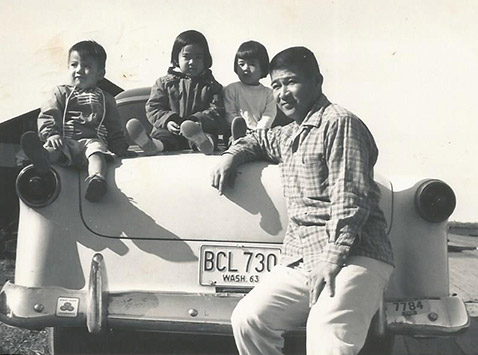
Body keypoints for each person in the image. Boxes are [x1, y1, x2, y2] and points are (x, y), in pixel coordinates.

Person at [211, 47, 394, 355]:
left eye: (291, 82)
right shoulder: (290, 133)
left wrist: (333, 257)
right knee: (249, 318)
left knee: (327, 335)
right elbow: (257, 139)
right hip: (304, 258)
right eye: (277, 85)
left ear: (317, 82)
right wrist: (231, 155)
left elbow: (351, 195)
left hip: (354, 254)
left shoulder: (339, 123)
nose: (282, 93)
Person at [21, 40, 130, 202]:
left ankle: (97, 180)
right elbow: (49, 113)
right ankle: (43, 158)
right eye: (74, 65)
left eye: (87, 66)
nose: (79, 70)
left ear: (100, 74)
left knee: (97, 153)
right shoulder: (60, 92)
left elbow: (114, 126)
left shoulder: (105, 98)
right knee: (54, 149)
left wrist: (119, 146)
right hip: (66, 140)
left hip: (92, 141)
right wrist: (51, 134)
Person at [126, 30, 224, 155]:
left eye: (198, 57)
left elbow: (217, 109)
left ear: (206, 59)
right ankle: (152, 145)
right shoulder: (164, 83)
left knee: (209, 136)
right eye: (186, 57)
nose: (192, 62)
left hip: (199, 130)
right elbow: (153, 107)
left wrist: (198, 121)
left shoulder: (211, 86)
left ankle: (205, 144)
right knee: (163, 137)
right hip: (170, 130)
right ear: (176, 58)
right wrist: (168, 121)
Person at [223, 40, 276, 143]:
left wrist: (259, 130)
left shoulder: (269, 93)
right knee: (233, 140)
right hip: (234, 132)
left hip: (260, 133)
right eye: (241, 64)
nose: (245, 69)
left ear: (262, 68)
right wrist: (243, 130)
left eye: (252, 64)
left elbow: (269, 115)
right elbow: (230, 113)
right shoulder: (232, 89)